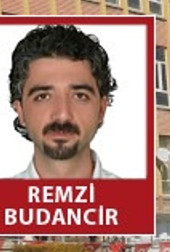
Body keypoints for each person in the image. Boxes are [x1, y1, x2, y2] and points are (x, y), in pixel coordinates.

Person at [9, 25, 120, 179]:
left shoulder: (139, 201)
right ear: (20, 111)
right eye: (43, 96)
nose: (62, 115)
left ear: (101, 109)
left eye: (79, 96)